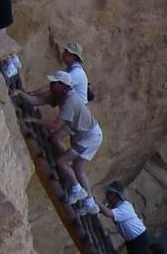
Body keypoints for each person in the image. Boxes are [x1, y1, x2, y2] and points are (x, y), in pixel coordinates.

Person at [15, 71, 103, 213]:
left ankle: (77, 189)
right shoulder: (59, 94)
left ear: (63, 85)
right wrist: (20, 93)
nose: (51, 85)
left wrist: (35, 120)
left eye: (54, 83)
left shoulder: (70, 100)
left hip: (89, 137)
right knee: (76, 166)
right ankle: (90, 203)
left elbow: (56, 125)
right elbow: (36, 101)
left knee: (61, 161)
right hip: (82, 130)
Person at [99, 180, 149, 254]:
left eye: (109, 193)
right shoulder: (115, 206)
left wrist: (94, 202)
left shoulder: (125, 206)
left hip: (139, 239)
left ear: (115, 195)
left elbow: (108, 213)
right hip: (134, 240)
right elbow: (104, 210)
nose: (106, 194)